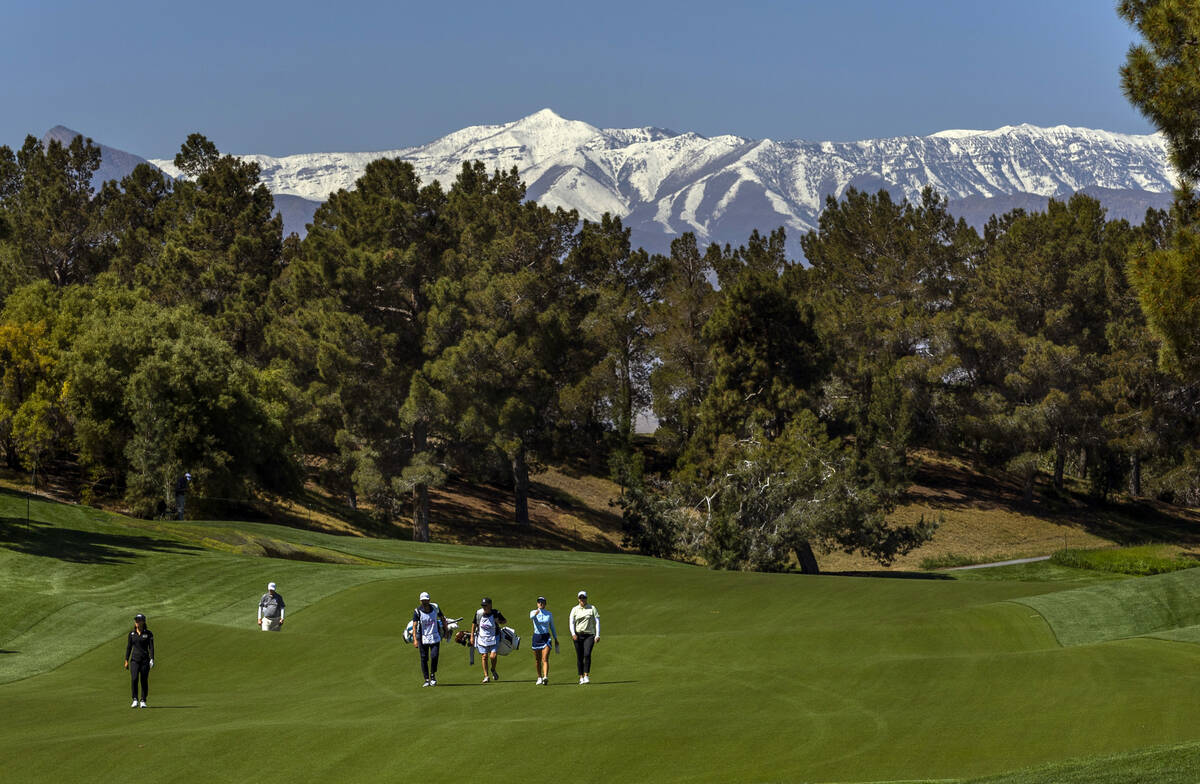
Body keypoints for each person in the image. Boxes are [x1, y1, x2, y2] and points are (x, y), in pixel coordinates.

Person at [412, 591, 448, 687]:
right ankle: (426, 679)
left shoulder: (435, 608)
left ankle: (432, 675)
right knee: (424, 658)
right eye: (422, 600)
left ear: (429, 600)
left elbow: (443, 618)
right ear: (420, 601)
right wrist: (415, 639)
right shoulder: (417, 611)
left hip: (435, 636)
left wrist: (446, 631)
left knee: (434, 656)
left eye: (426, 600)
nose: (424, 602)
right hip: (422, 637)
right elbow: (414, 626)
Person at [471, 597, 506, 683]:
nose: (484, 607)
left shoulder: (496, 613)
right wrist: (472, 636)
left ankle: (493, 669)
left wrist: (499, 622)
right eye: (483, 605)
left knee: (492, 656)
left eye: (485, 605)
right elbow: (474, 624)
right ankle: (486, 676)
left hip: (494, 637)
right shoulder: (479, 613)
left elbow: (504, 621)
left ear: (490, 605)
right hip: (482, 637)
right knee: (484, 656)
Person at [123, 613, 155, 708]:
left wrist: (152, 659)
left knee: (144, 680)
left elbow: (151, 648)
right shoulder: (132, 634)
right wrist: (126, 660)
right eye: (136, 620)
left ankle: (143, 700)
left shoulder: (148, 634)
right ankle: (135, 699)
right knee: (134, 679)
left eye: (138, 620)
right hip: (134, 660)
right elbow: (129, 647)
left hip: (145, 661)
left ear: (143, 622)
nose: (136, 621)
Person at [569, 590, 600, 685]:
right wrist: (573, 633)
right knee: (579, 656)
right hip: (578, 635)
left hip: (589, 635)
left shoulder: (592, 608)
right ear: (578, 599)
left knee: (587, 654)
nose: (582, 599)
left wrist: (597, 635)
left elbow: (597, 621)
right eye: (580, 598)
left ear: (586, 598)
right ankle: (581, 677)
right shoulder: (574, 609)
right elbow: (571, 622)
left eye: (584, 598)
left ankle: (586, 675)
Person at [529, 596, 559, 685]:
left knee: (544, 658)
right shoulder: (533, 612)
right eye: (539, 602)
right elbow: (531, 617)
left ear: (545, 604)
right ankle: (539, 677)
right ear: (537, 604)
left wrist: (555, 638)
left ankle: (545, 676)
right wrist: (536, 613)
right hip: (537, 637)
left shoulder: (549, 614)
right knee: (537, 660)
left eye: (542, 602)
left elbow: (552, 626)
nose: (540, 604)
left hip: (546, 637)